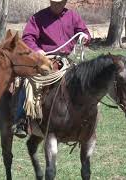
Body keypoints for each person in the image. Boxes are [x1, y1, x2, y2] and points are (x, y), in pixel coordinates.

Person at [13, 0, 91, 138]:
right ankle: (21, 120)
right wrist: (37, 50)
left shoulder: (73, 16)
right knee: (29, 82)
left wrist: (84, 37)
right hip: (45, 60)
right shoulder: (38, 18)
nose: (57, 5)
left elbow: (84, 32)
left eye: (60, 2)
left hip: (68, 60)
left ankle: (85, 119)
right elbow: (27, 37)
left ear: (65, 2)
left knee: (86, 82)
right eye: (54, 2)